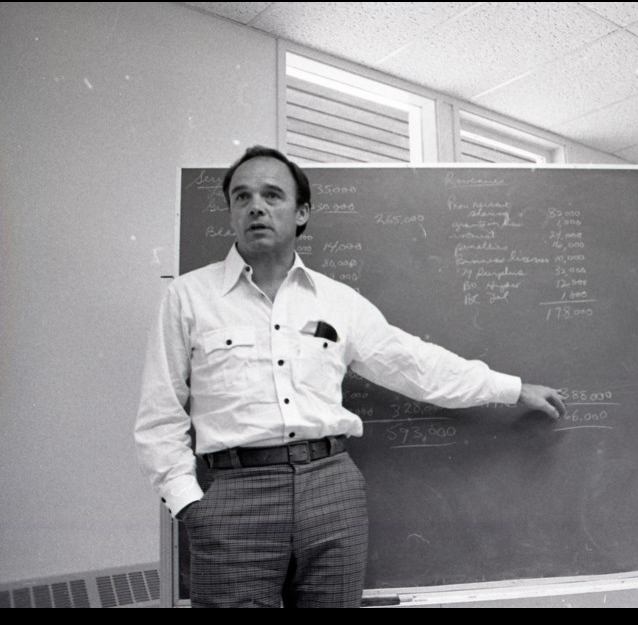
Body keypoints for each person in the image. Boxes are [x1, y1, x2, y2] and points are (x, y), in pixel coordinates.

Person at [134, 146, 567, 608]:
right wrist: (190, 507)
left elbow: (415, 365)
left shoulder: (339, 302)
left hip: (331, 491)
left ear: (301, 213)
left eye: (272, 195)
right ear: (231, 214)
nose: (256, 206)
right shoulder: (187, 298)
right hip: (235, 499)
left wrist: (512, 388)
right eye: (242, 197)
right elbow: (160, 415)